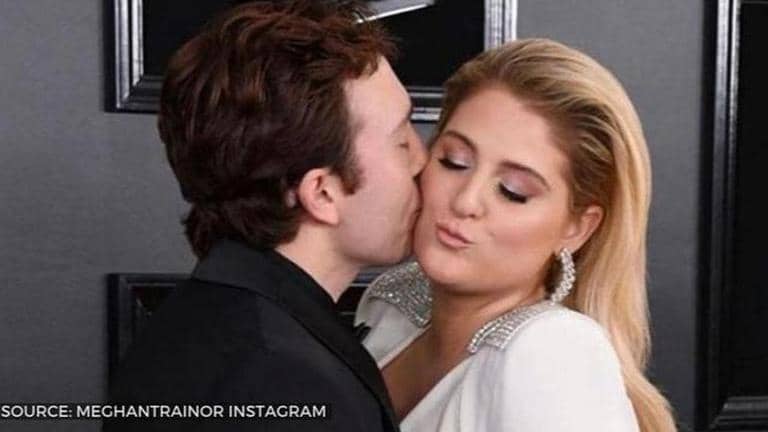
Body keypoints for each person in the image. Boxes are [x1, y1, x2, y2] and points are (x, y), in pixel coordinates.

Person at [105, 1, 427, 431]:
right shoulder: (287, 379)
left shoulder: (203, 323)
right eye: (402, 140)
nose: (422, 159)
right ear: (322, 192)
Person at [355, 38, 677, 432]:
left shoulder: (553, 354)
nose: (466, 201)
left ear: (577, 227)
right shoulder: (394, 302)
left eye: (513, 191)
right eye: (454, 161)